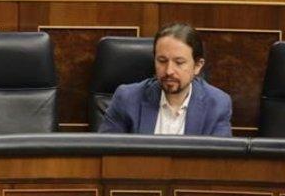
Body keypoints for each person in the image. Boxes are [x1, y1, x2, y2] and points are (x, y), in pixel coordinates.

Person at [98, 23, 232, 136]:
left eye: (179, 63)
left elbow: (219, 163)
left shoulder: (217, 104)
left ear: (197, 66)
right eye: (162, 61)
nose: (168, 71)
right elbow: (105, 154)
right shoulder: (127, 98)